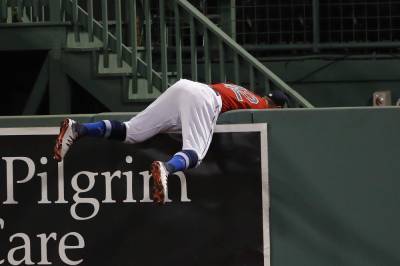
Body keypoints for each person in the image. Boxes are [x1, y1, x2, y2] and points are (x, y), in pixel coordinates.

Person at [53, 79, 288, 203]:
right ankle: (166, 168)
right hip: (205, 99)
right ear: (277, 106)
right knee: (195, 154)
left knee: (132, 130)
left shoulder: (250, 94)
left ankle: (79, 129)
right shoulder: (264, 105)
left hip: (184, 88)